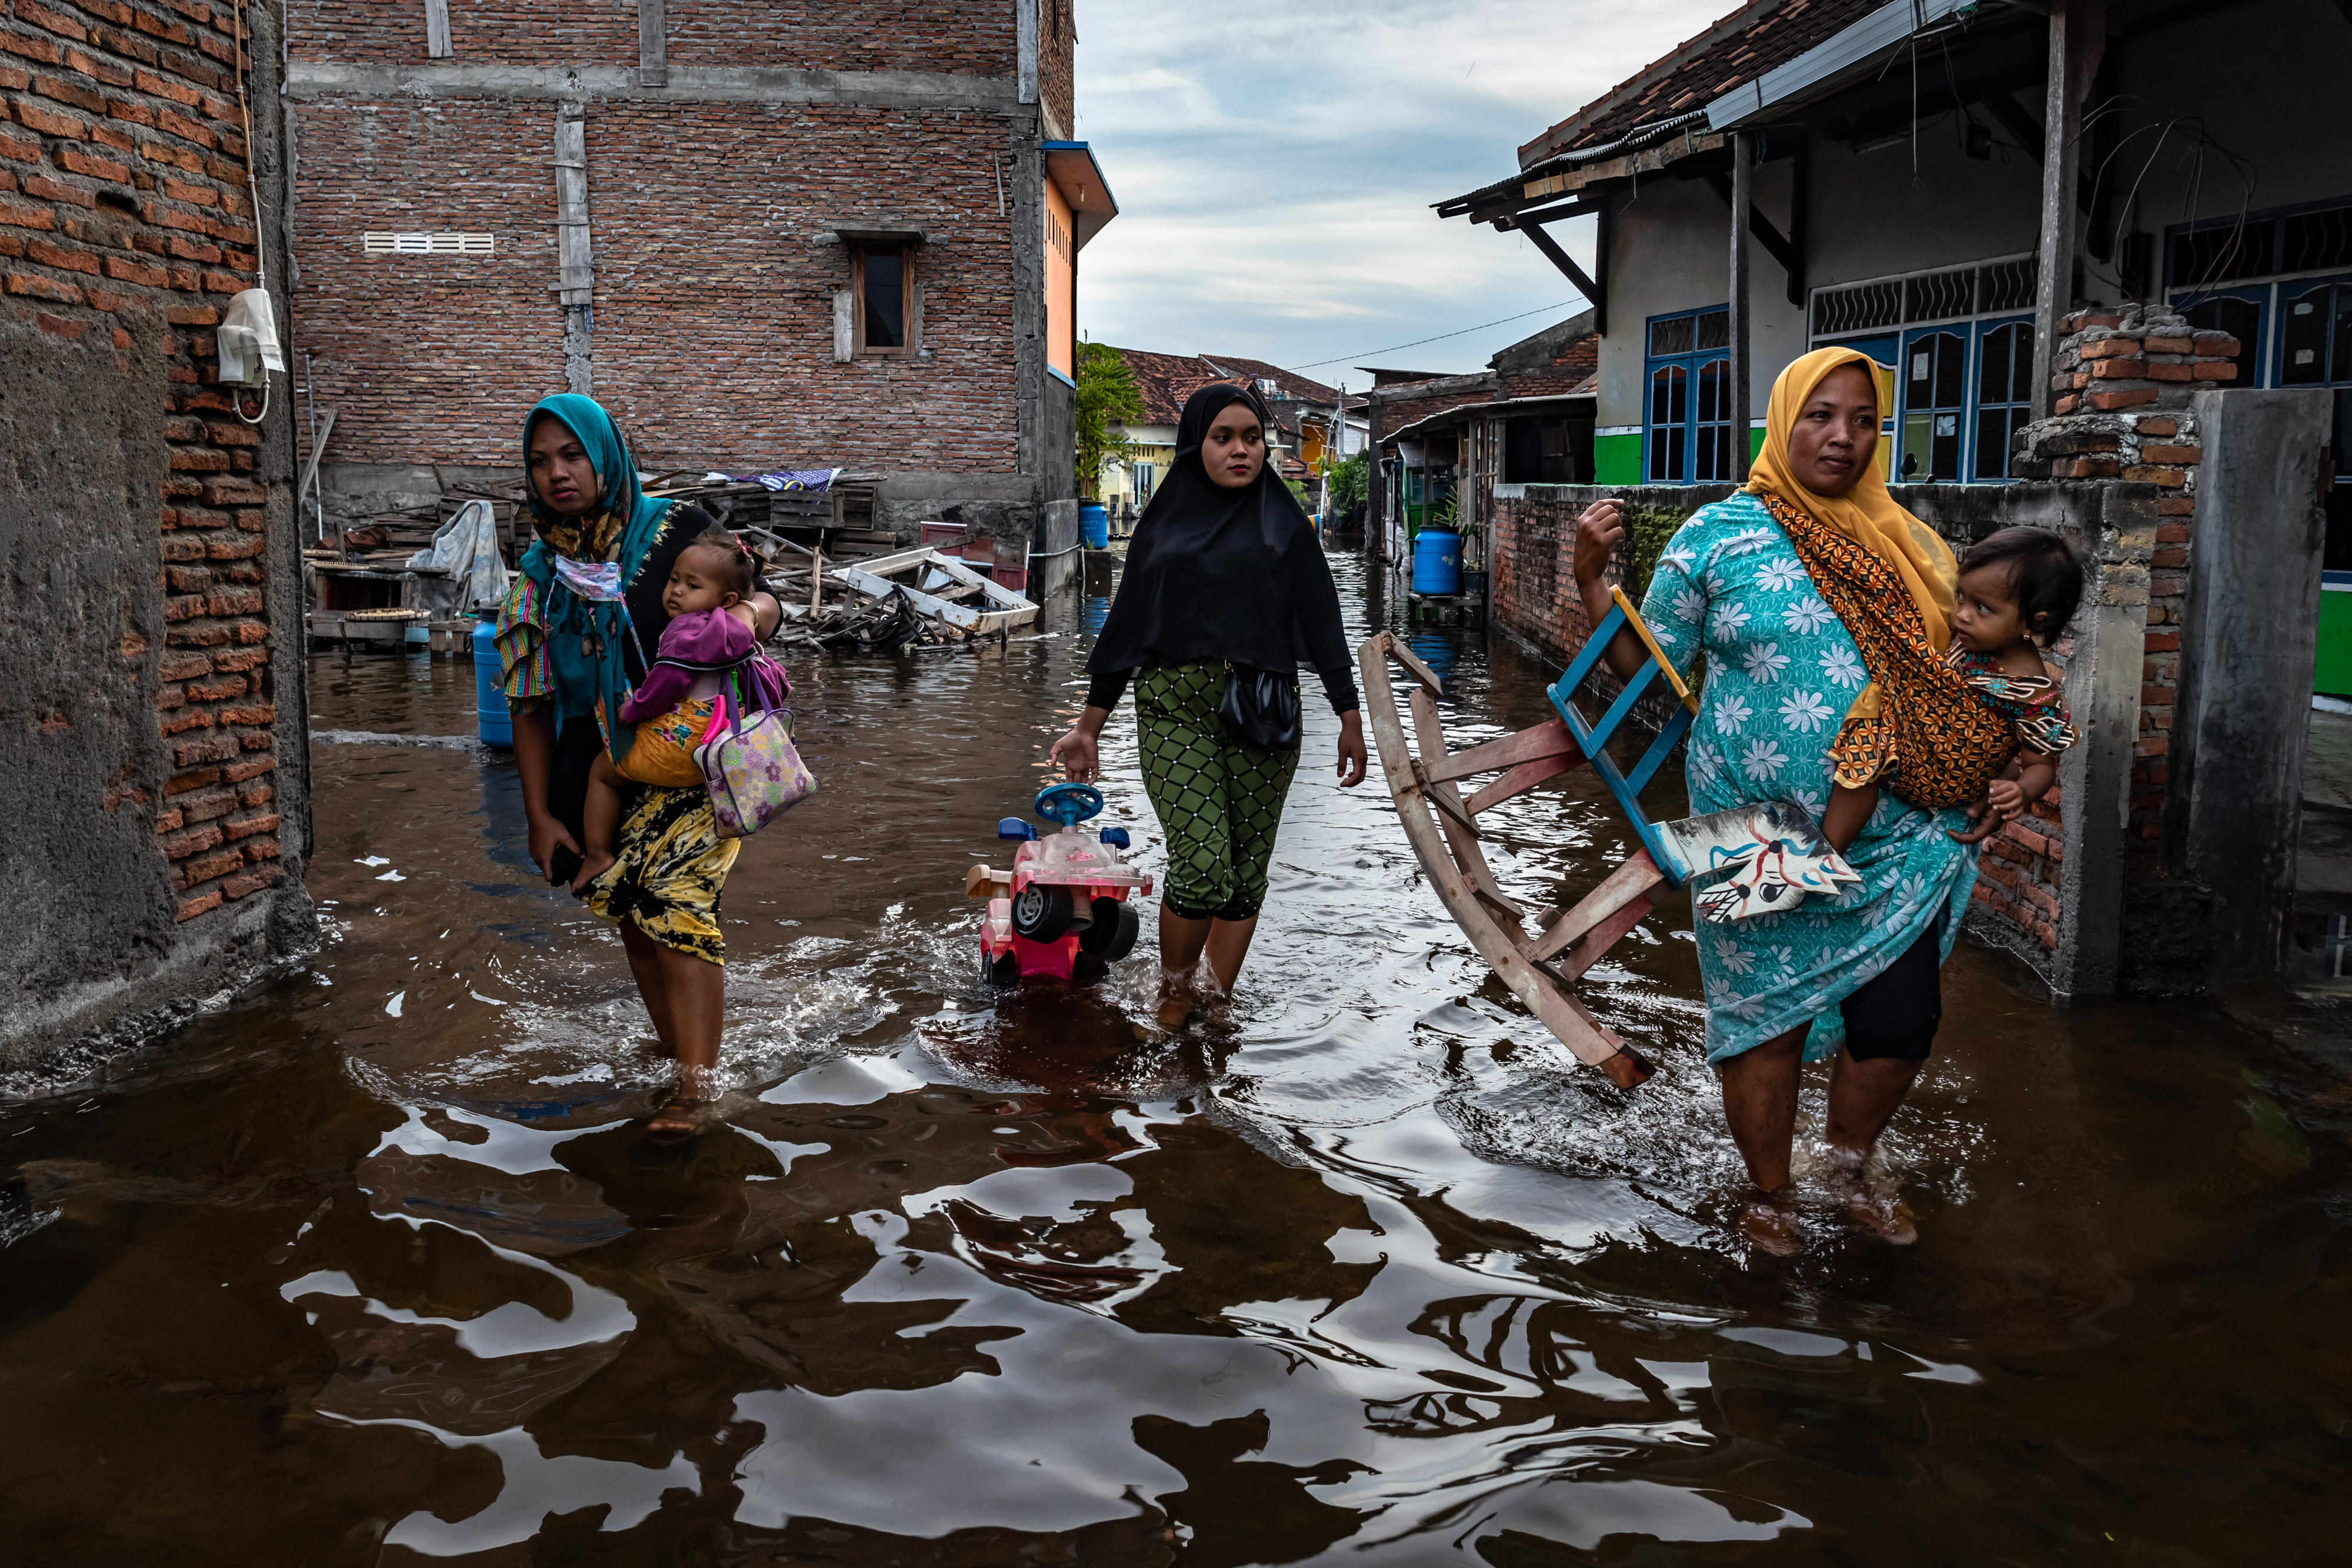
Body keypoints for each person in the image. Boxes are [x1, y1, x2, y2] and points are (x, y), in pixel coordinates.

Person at [1572, 347, 1999, 1252]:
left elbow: (1962, 681)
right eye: (1822, 415)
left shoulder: (1907, 543)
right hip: (1751, 820)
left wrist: (2005, 768)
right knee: (1765, 1025)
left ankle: (1846, 1165)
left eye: (1864, 421)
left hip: (1896, 827)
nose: (1844, 436)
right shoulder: (1715, 537)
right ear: (1782, 420)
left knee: (1899, 1024)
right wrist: (1590, 582)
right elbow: (1646, 669)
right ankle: (1770, 1193)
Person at [496, 396, 784, 1140]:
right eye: (540, 461)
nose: (558, 473)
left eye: (572, 455)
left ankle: (698, 1091)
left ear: (605, 455)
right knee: (631, 914)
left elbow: (762, 596)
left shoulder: (679, 531)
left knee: (680, 909)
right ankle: (679, 1053)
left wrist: (747, 619)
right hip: (602, 764)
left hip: (694, 761)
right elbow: (529, 704)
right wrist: (539, 816)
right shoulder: (540, 573)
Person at [1050, 383, 1369, 1030]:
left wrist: (1349, 714)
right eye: (1223, 438)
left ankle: (1218, 999)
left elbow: (1322, 620)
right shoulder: (1162, 528)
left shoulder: (1287, 525)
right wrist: (1089, 726)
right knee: (1202, 865)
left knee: (1245, 877)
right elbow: (1128, 626)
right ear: (1196, 445)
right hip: (1174, 707)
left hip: (1265, 709)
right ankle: (1173, 991)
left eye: (1252, 438)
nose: (1240, 450)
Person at [1819, 526, 2083, 851]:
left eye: (1982, 608)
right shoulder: (1970, 643)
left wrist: (2023, 791)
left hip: (1940, 780)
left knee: (1866, 746)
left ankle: (1824, 856)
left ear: (2034, 622)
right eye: (1960, 597)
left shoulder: (2033, 694)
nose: (1961, 614)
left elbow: (2040, 765)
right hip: (1914, 749)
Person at [572, 526, 787, 892]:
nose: (676, 591)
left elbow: (666, 683)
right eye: (674, 579)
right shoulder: (737, 635)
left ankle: (597, 854)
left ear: (727, 599)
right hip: (718, 749)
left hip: (680, 747)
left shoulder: (687, 630)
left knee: (603, 773)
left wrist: (633, 711)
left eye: (692, 585)